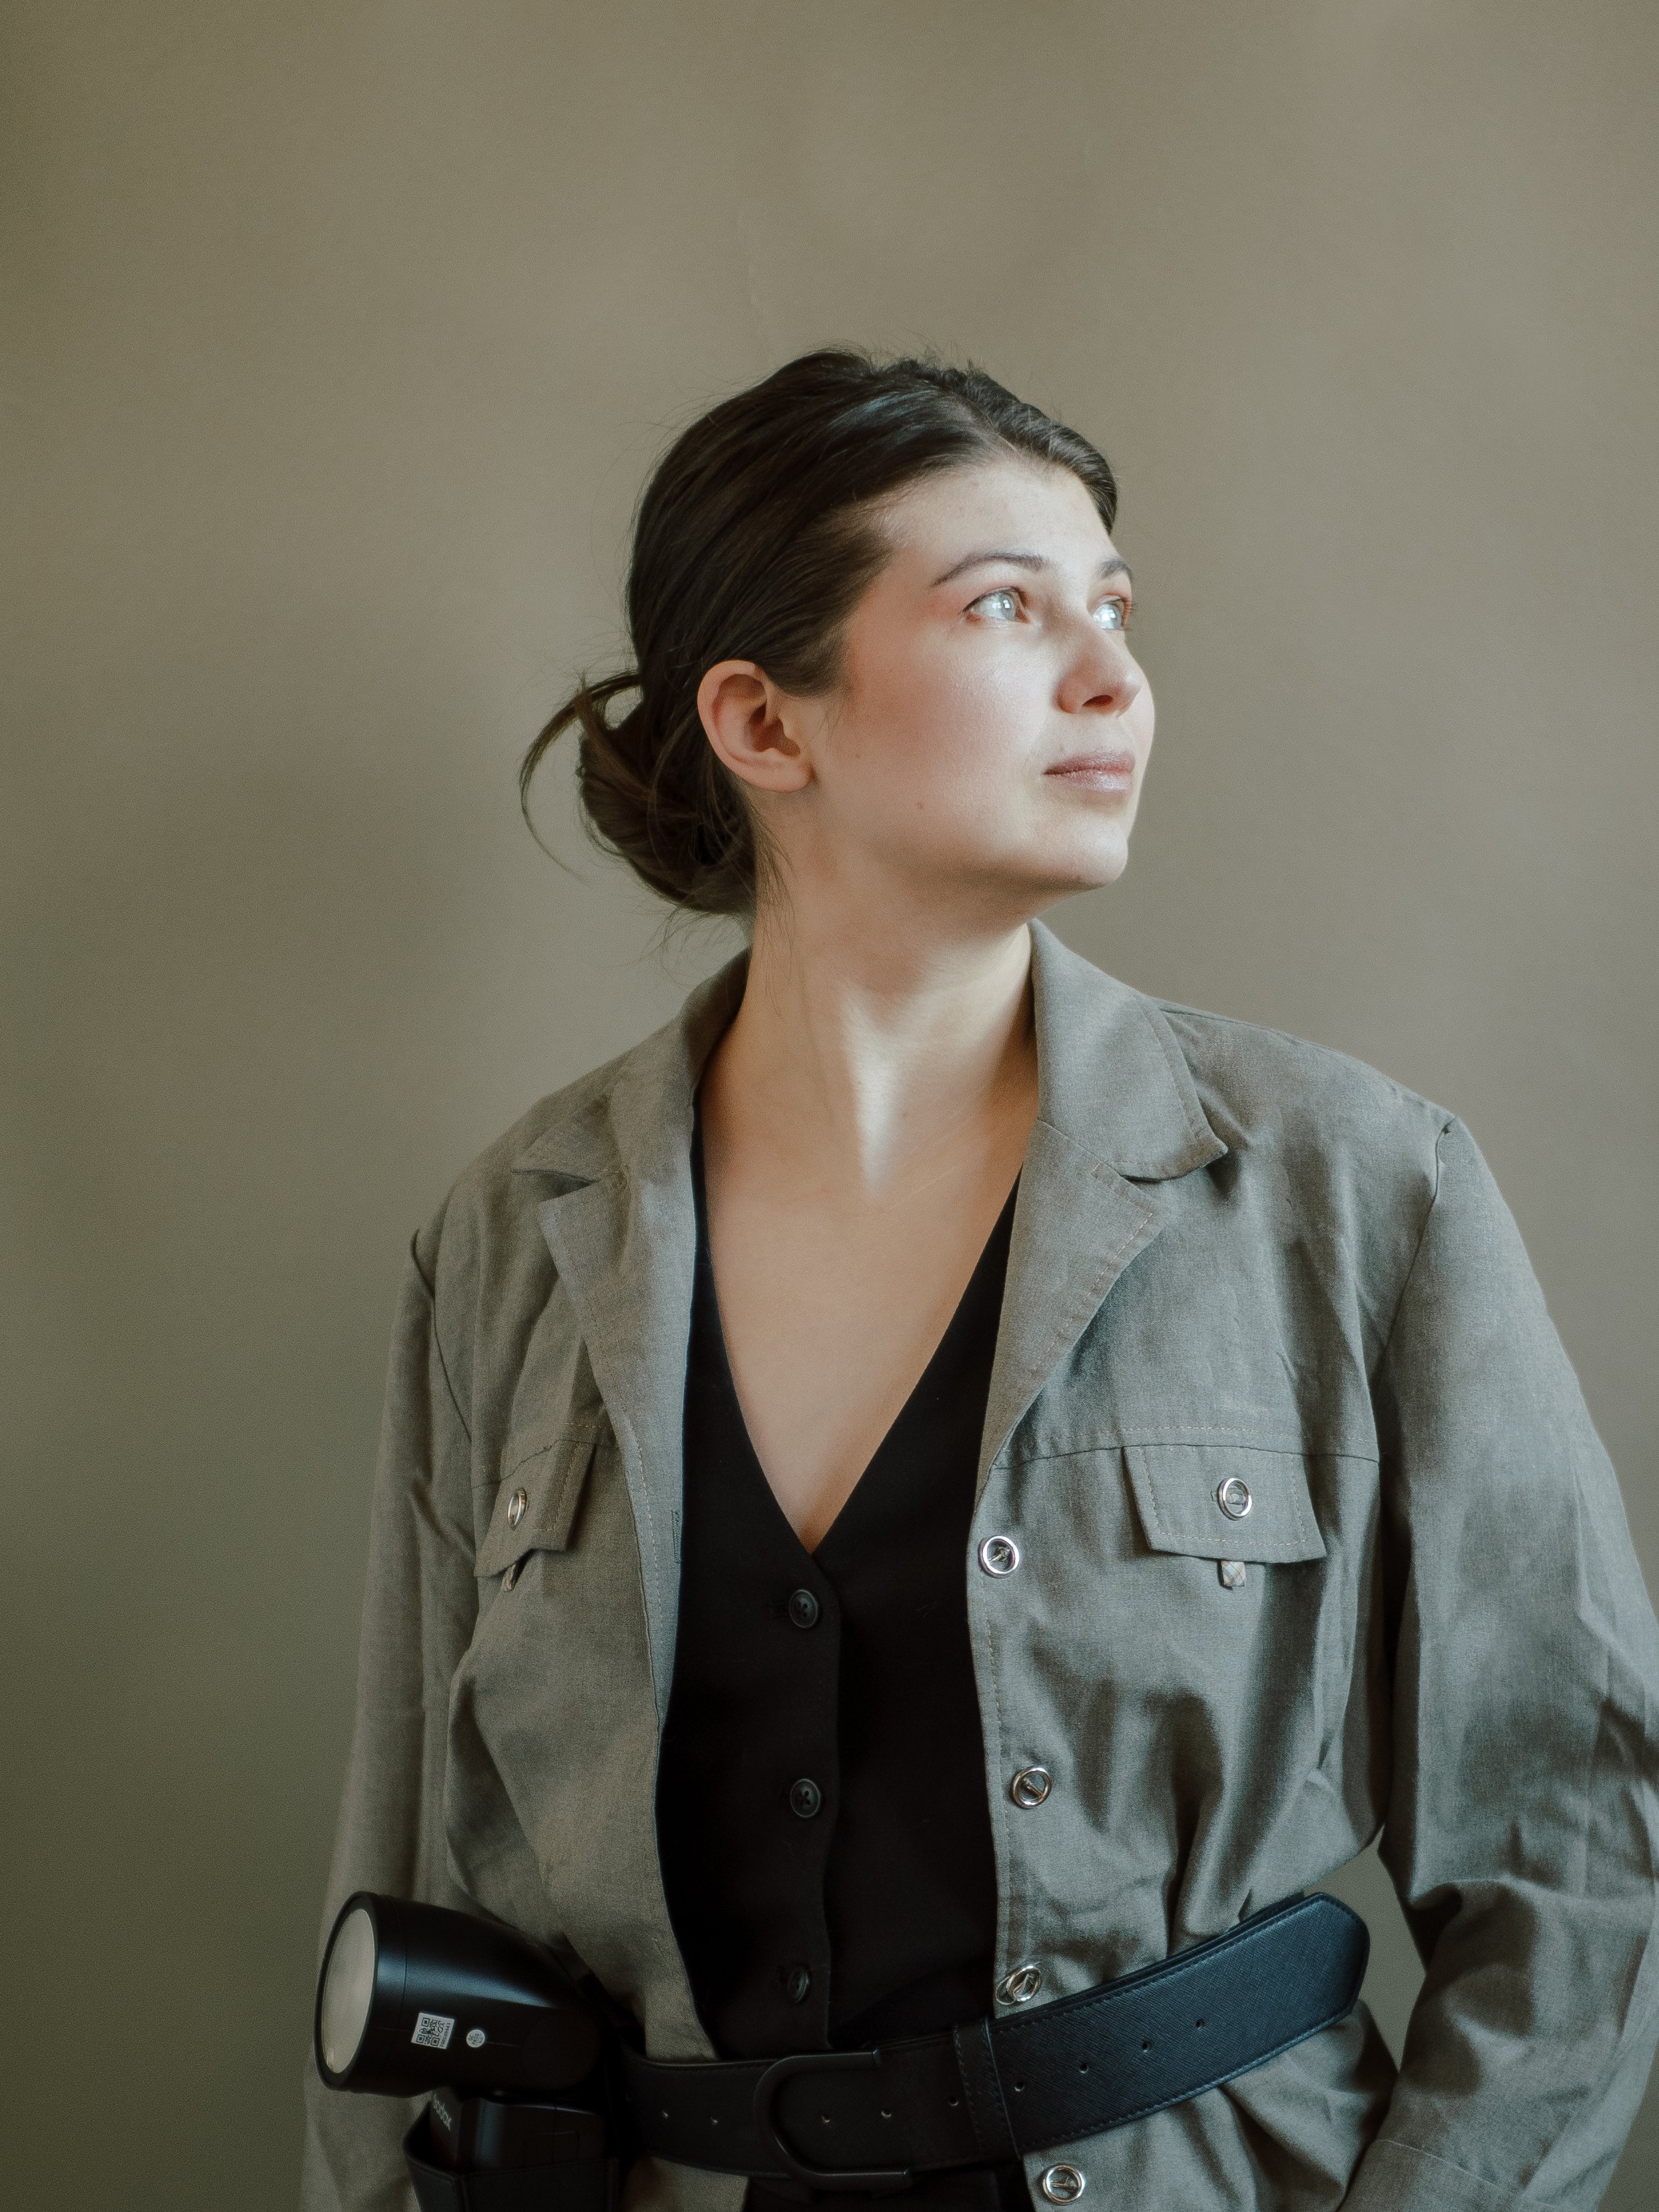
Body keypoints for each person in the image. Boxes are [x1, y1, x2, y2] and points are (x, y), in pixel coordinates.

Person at [302, 350, 1659, 2212]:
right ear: (767, 726)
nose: (1116, 678)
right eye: (1008, 607)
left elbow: (1576, 1853)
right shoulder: (512, 1239)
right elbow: (405, 1905)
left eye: (1113, 609)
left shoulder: (1354, 1191)